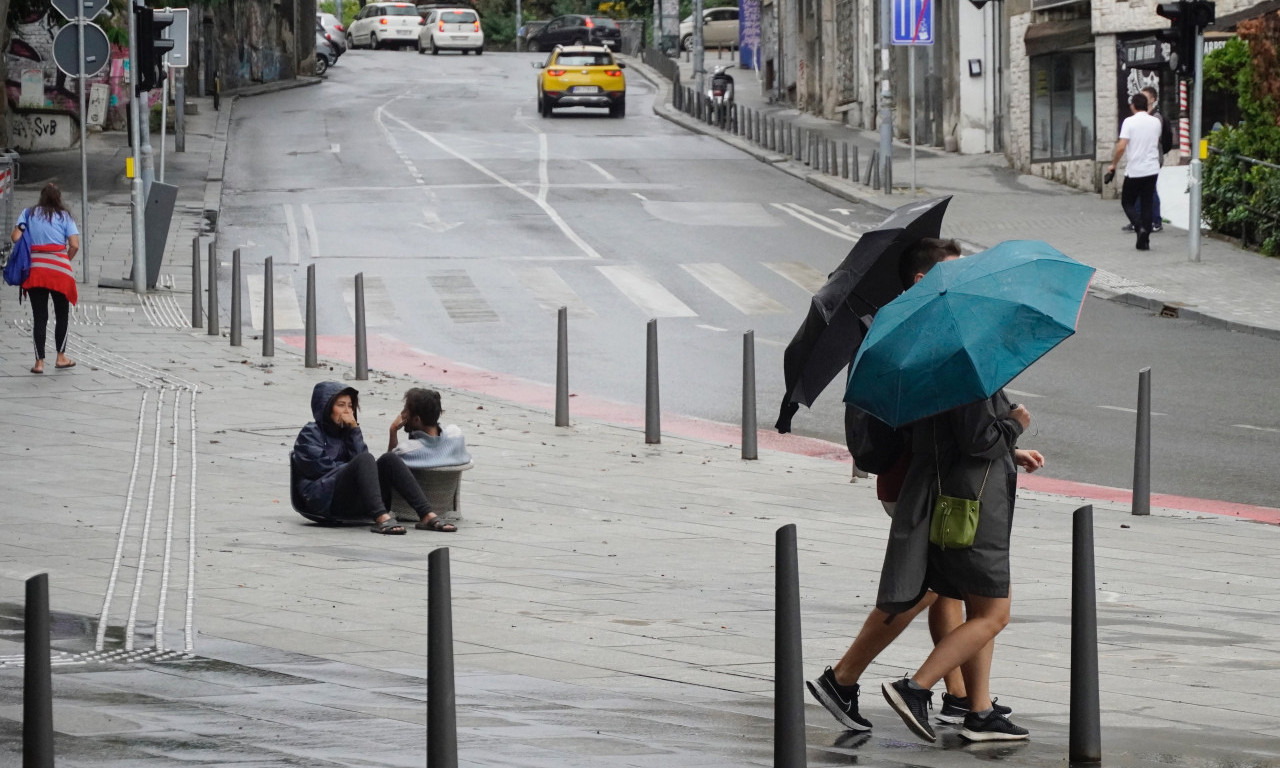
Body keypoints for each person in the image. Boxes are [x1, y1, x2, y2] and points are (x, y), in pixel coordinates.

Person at [812, 238, 1012, 732]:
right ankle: (846, 677)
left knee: (949, 593)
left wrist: (1006, 445)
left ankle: (968, 700)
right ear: (924, 281)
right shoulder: (916, 332)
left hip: (934, 472)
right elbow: (958, 424)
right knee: (921, 589)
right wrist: (1007, 430)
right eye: (953, 272)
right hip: (922, 478)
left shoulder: (924, 324)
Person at [878, 392, 1044, 743]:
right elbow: (977, 440)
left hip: (963, 497)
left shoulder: (947, 375)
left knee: (979, 612)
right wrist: (1015, 424)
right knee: (994, 615)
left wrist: (1010, 450)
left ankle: (979, 711)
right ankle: (915, 688)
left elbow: (955, 435)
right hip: (973, 506)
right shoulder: (968, 378)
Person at [292, 381, 457, 534]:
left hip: (351, 498)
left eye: (350, 406)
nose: (347, 411)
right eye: (341, 405)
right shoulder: (310, 433)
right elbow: (319, 469)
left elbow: (360, 463)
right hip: (323, 498)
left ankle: (426, 514)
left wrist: (353, 430)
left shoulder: (348, 432)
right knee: (365, 459)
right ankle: (381, 517)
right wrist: (352, 468)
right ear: (326, 408)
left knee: (389, 459)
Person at [12, 183, 80, 374]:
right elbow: (74, 245)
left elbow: (15, 237)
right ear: (59, 198)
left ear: (41, 197)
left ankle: (39, 363)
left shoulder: (28, 214)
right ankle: (61, 357)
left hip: (36, 270)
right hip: (60, 271)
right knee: (62, 314)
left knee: (40, 317)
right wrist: (63, 260)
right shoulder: (65, 216)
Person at [388, 387, 472, 530]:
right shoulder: (456, 436)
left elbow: (389, 464)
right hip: (444, 509)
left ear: (417, 419)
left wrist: (393, 431)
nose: (402, 414)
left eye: (405, 410)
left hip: (409, 511)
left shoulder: (407, 450)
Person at [1107, 92, 1163, 251]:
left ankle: (1139, 227)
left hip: (1135, 170)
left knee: (1127, 202)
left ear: (1133, 106)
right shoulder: (1155, 122)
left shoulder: (1129, 122)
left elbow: (1121, 147)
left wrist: (1113, 164)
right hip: (1152, 169)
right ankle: (1145, 240)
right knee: (1147, 203)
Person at [1122, 86, 1172, 234]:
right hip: (1143, 161)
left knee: (1150, 192)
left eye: (1145, 96)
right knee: (1141, 192)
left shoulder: (1155, 118)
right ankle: (1139, 221)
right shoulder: (1144, 117)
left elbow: (1153, 139)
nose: (1142, 99)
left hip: (1152, 159)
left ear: (1152, 99)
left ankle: (1155, 221)